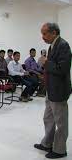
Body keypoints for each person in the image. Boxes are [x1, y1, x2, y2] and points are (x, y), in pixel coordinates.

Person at [34, 23, 71, 159]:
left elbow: (63, 69)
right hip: (51, 89)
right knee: (48, 118)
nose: (42, 37)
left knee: (60, 122)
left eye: (44, 33)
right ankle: (47, 143)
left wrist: (45, 62)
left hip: (59, 90)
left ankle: (60, 150)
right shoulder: (52, 45)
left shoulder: (63, 45)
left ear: (54, 32)